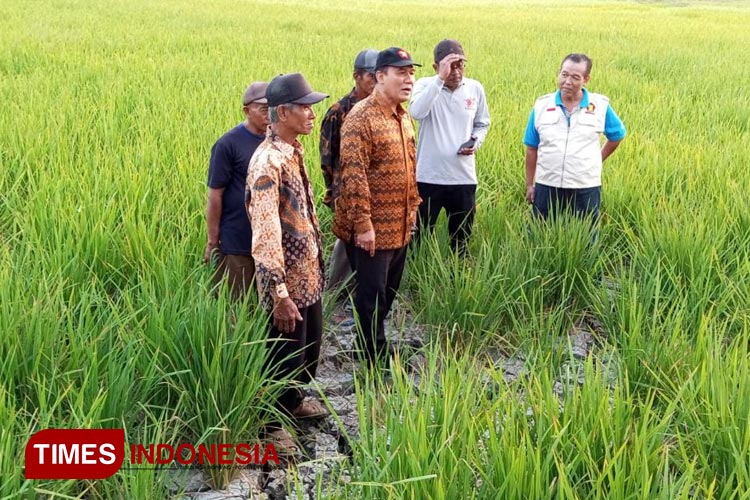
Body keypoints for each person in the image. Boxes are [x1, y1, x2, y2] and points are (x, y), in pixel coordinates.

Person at [246, 73, 329, 455]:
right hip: (287, 288)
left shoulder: (292, 151)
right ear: (283, 112)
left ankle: (293, 404)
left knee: (306, 353)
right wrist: (278, 293)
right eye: (305, 107)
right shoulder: (266, 163)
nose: (312, 113)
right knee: (281, 356)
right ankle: (271, 423)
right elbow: (265, 236)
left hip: (307, 279)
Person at [333, 47, 422, 366]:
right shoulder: (361, 117)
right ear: (380, 76)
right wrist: (363, 226)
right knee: (371, 296)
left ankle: (369, 341)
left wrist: (411, 212)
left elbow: (410, 168)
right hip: (372, 230)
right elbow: (353, 176)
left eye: (411, 72)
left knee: (388, 292)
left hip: (399, 225)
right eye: (401, 72)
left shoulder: (402, 115)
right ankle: (372, 357)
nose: (409, 79)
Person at [523, 53, 626, 224]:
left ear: (586, 79)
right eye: (564, 75)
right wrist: (529, 184)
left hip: (585, 185)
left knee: (584, 236)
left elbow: (617, 135)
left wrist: (597, 159)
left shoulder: (599, 106)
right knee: (540, 233)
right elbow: (531, 147)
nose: (568, 81)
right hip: (547, 183)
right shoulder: (542, 105)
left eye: (575, 77)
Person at [410, 39, 490, 256]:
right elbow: (416, 112)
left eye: (460, 65)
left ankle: (457, 280)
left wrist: (475, 140)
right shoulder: (425, 86)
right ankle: (418, 278)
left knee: (461, 239)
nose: (455, 72)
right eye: (449, 66)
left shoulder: (475, 88)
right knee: (419, 238)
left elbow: (482, 123)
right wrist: (439, 80)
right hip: (428, 178)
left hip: (463, 178)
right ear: (436, 67)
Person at [319, 48, 378, 298]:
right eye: (372, 76)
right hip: (346, 191)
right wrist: (335, 191)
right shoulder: (339, 112)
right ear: (356, 76)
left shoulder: (382, 108)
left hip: (375, 191)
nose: (377, 82)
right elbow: (327, 157)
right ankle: (335, 295)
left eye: (380, 75)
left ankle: (362, 292)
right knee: (347, 243)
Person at [205, 82, 269, 300]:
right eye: (262, 109)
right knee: (234, 304)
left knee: (263, 303)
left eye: (272, 108)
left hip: (267, 239)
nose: (268, 114)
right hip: (237, 238)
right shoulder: (228, 144)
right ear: (246, 111)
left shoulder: (274, 141)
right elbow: (215, 195)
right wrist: (213, 241)